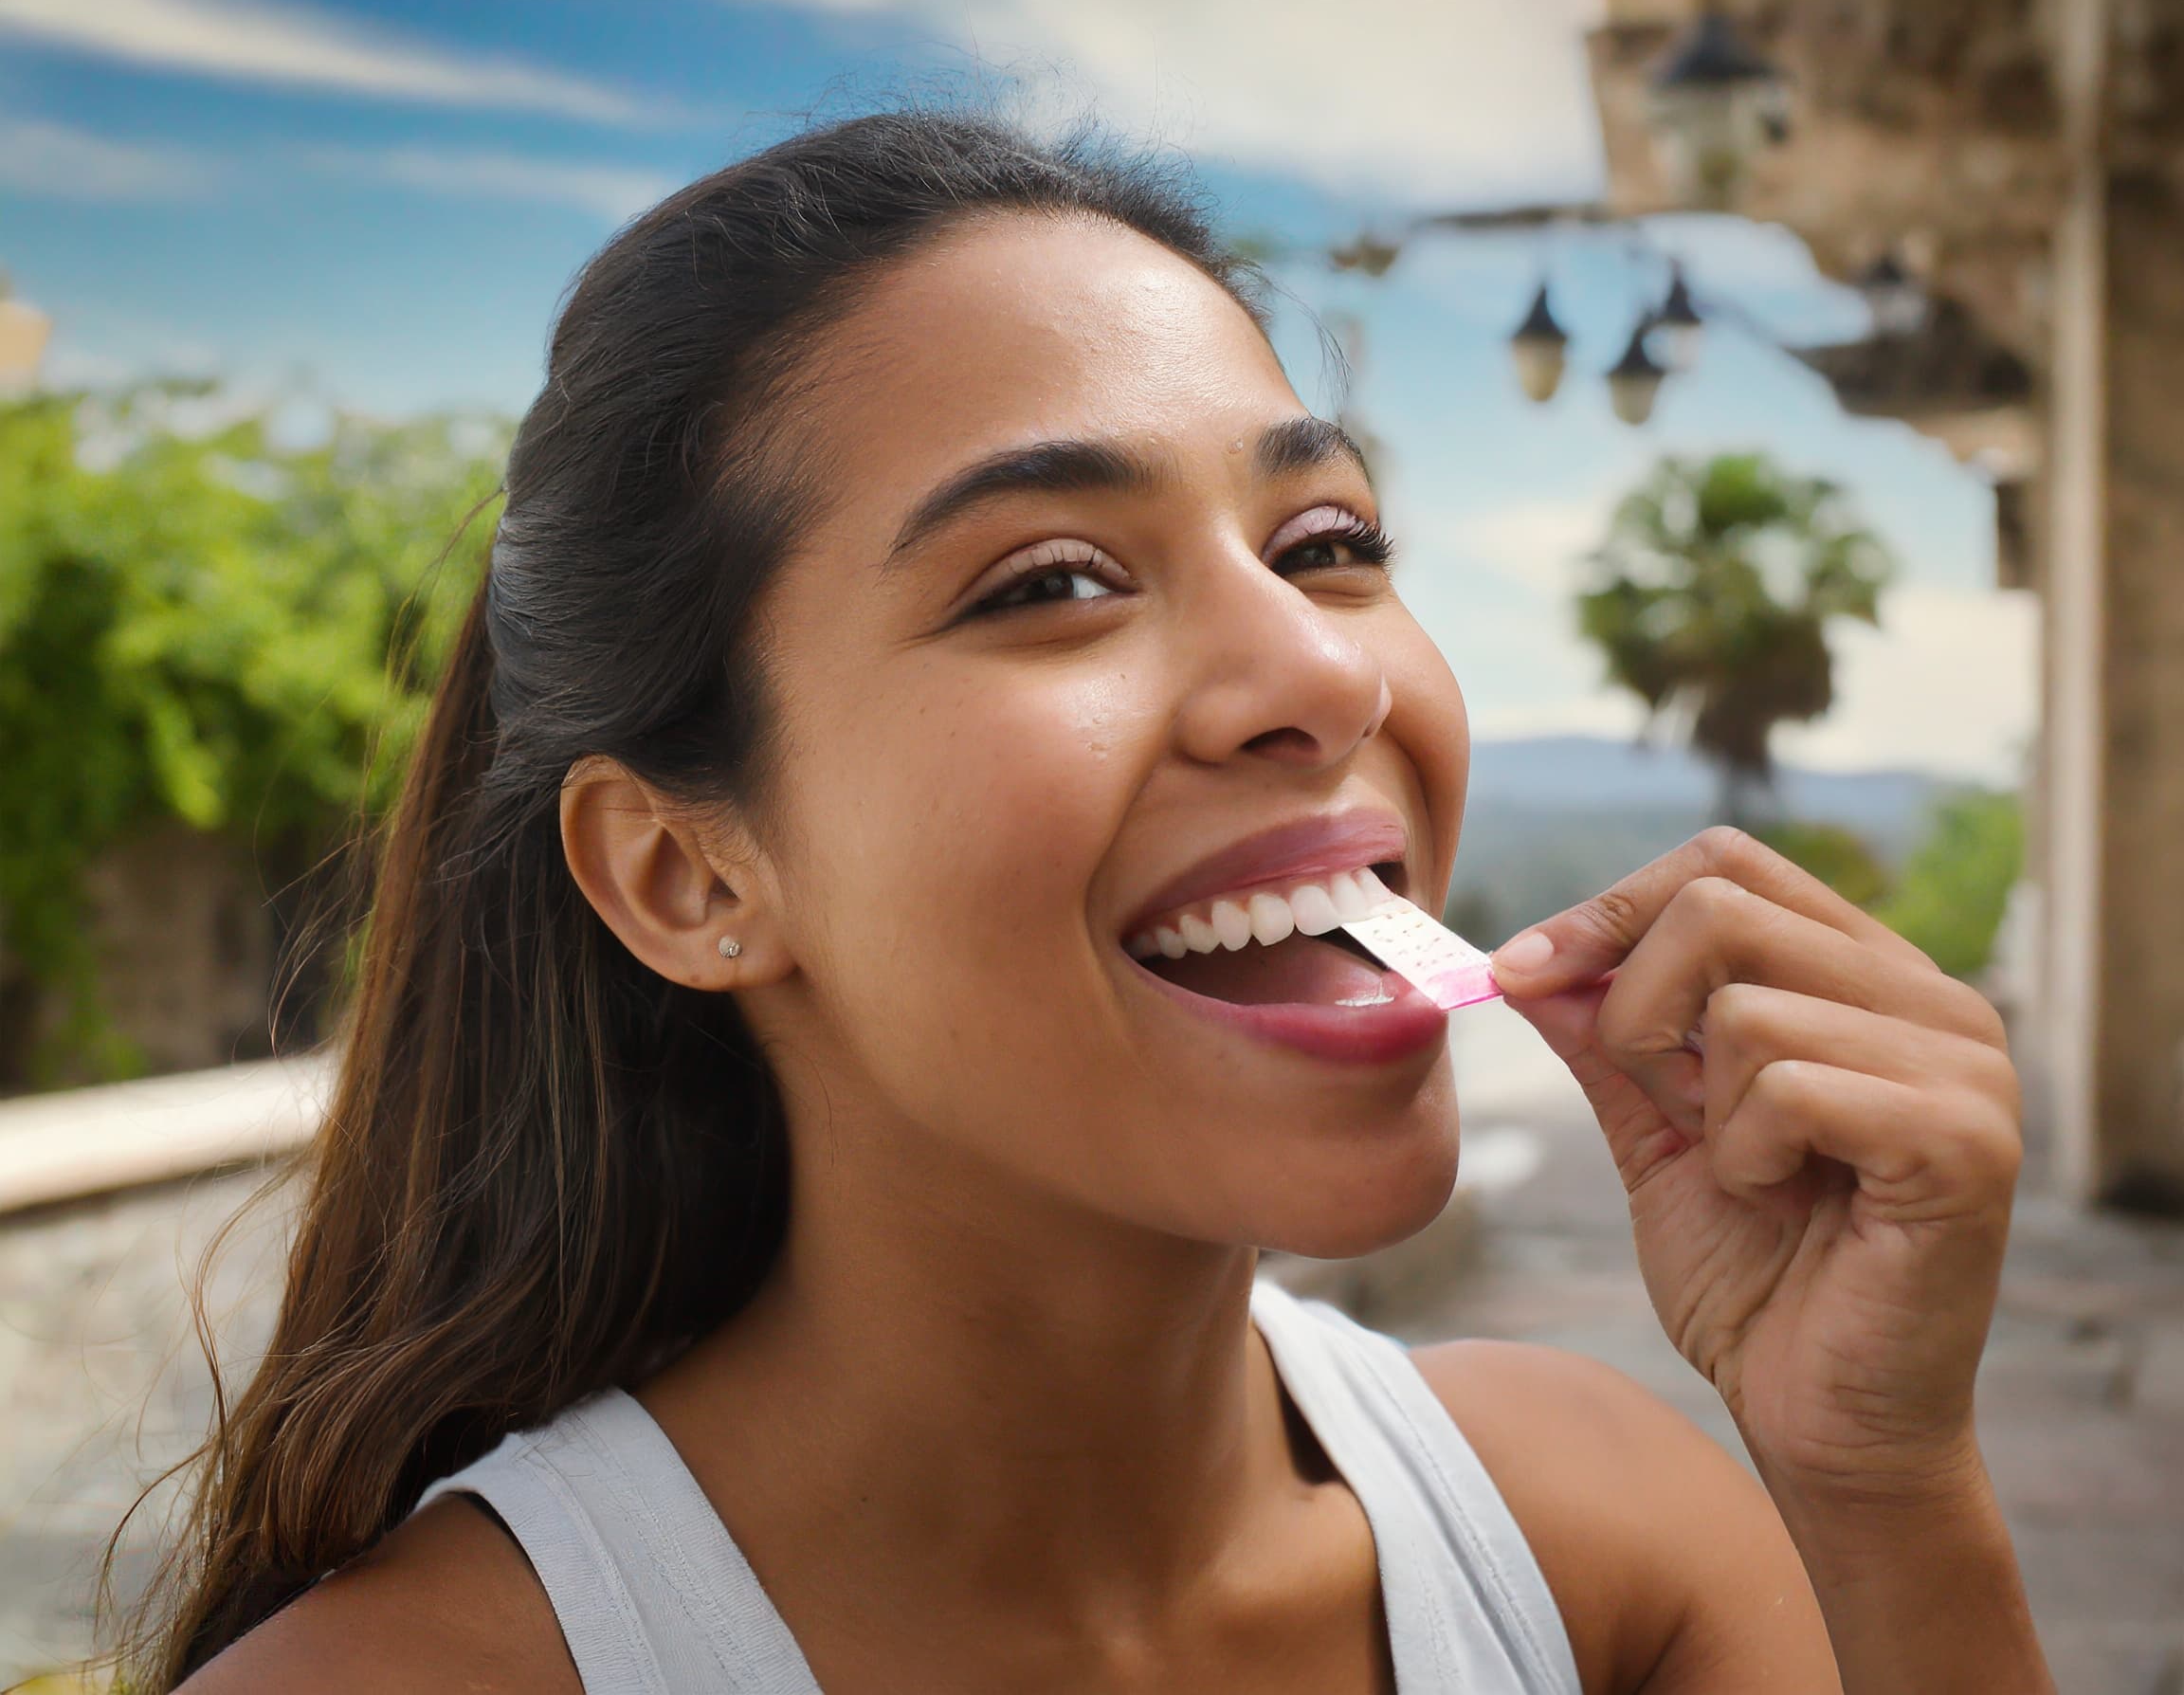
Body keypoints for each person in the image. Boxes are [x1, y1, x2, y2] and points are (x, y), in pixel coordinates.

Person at [135, 110, 2050, 1692]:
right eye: (1053, 581)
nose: (1321, 666)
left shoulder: (1607, 1549)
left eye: (1327, 540)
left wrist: (1887, 1486)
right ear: (687, 869)